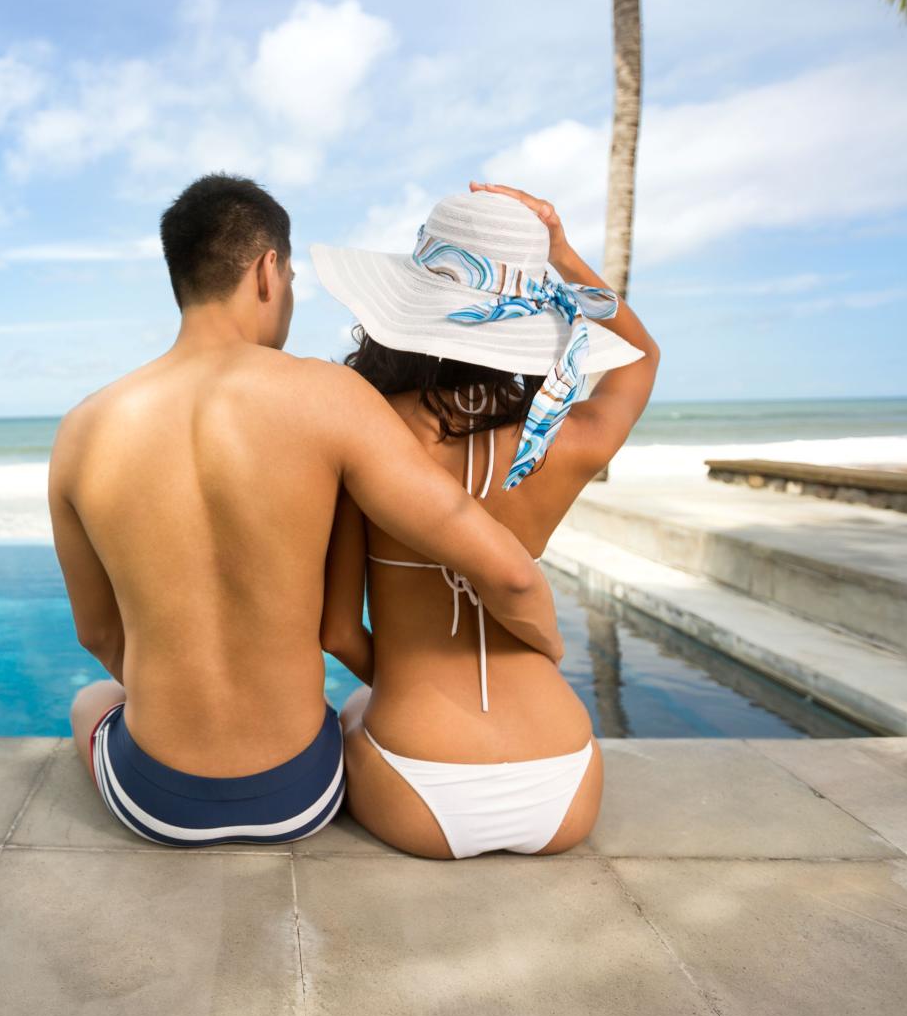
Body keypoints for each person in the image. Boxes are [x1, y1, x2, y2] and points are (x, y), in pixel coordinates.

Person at [49, 173, 564, 847]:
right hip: (299, 796)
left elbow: (98, 636)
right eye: (290, 277)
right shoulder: (330, 396)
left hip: (158, 806)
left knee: (91, 701)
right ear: (268, 271)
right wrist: (547, 650)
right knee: (344, 708)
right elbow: (509, 571)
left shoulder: (82, 429)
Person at [312, 183, 661, 858]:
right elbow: (641, 358)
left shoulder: (369, 432)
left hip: (418, 783)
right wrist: (560, 253)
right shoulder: (572, 437)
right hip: (565, 779)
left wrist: (414, 687)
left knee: (350, 715)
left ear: (409, 304)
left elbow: (337, 630)